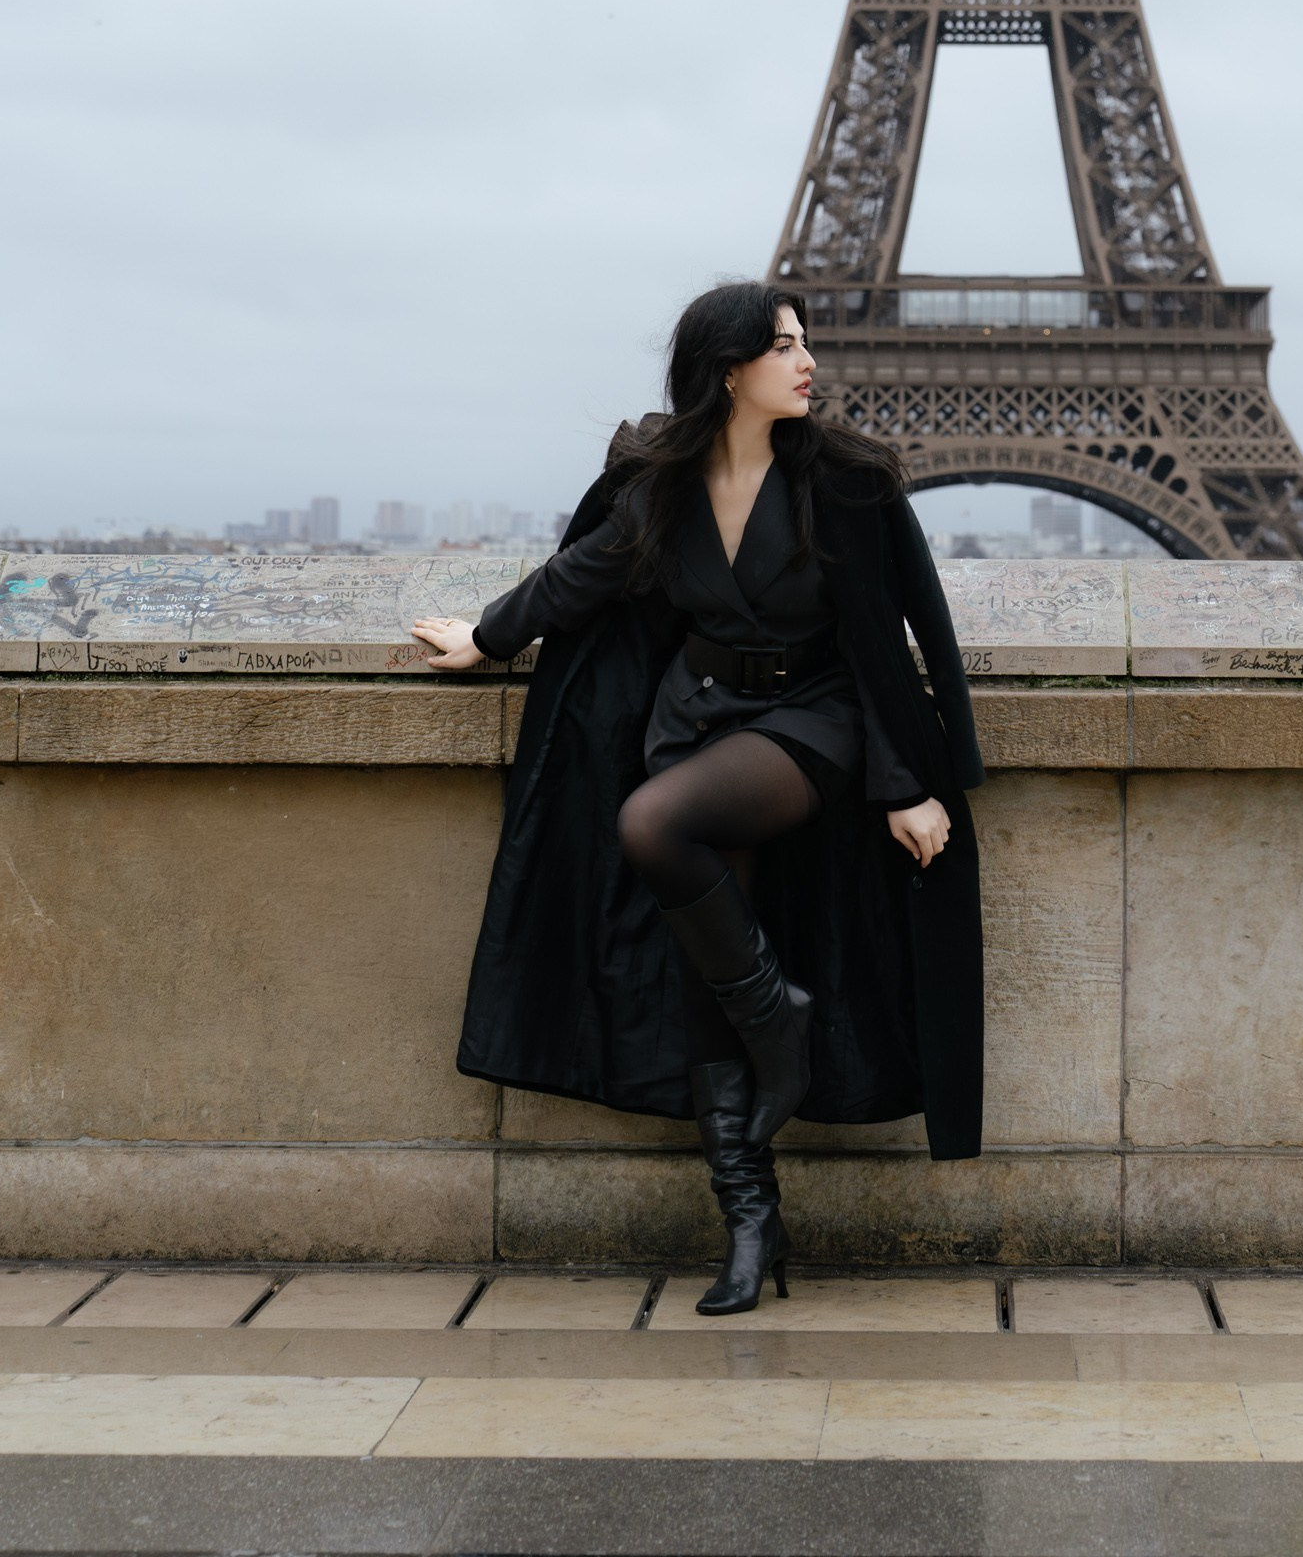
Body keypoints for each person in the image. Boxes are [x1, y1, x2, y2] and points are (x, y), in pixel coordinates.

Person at [411, 281, 984, 1315]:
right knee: (705, 971)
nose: (807, 362)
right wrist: (485, 636)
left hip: (810, 721)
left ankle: (781, 1020)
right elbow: (581, 575)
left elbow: (882, 638)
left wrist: (907, 784)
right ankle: (749, 1217)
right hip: (698, 718)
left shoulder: (844, 482)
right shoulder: (662, 481)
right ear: (727, 370)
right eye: (783, 346)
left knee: (654, 821)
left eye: (805, 343)